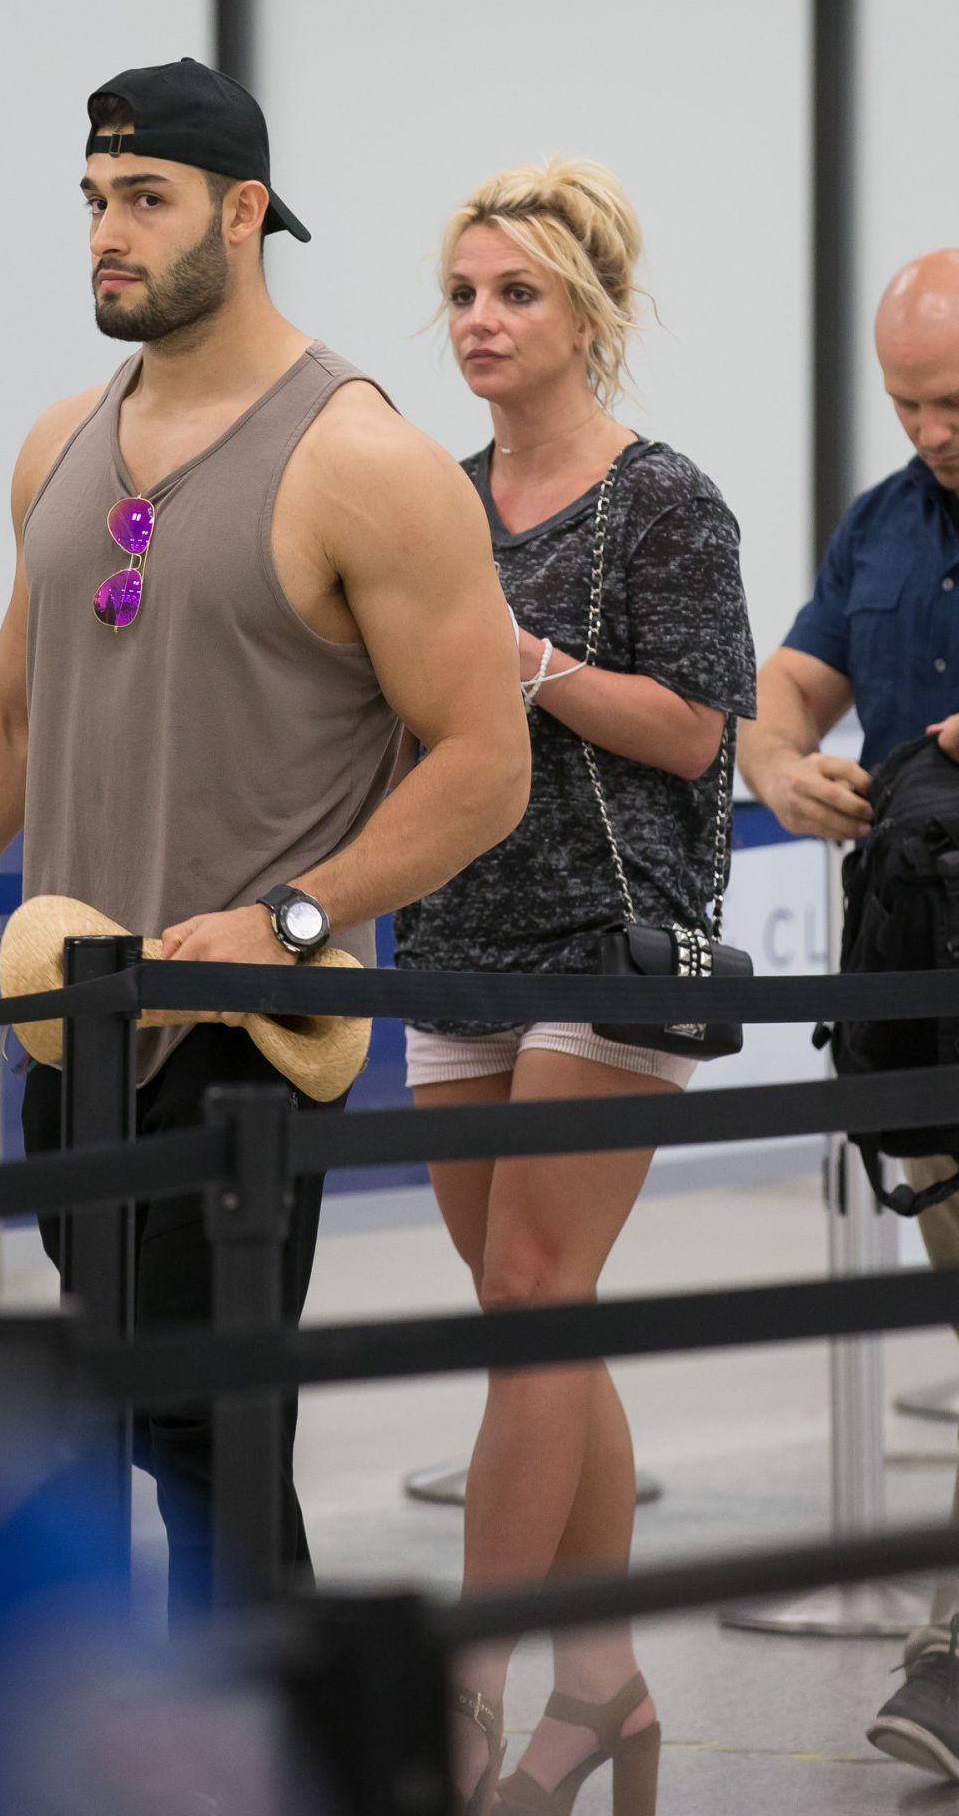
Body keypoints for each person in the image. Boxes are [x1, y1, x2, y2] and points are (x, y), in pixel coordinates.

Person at [0, 58, 530, 1617]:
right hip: (73, 1027)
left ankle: (259, 1765)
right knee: (118, 1416)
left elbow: (482, 764)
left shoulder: (360, 459)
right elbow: (6, 729)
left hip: (248, 1035)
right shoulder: (63, 443)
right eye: (95, 200)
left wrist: (292, 921)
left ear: (242, 215)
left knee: (206, 1435)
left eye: (146, 200)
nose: (107, 233)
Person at [393, 159, 756, 1815]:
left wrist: (526, 661)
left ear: (587, 312)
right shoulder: (433, 499)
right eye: (465, 292)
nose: (481, 320)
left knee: (537, 1294)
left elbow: (698, 730)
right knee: (532, 1309)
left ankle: (475, 1683)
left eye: (515, 293)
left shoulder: (663, 497)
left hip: (612, 935)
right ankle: (603, 1680)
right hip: (458, 929)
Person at [739, 248, 959, 1785]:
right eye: (909, 403)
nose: (934, 427)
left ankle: (952, 1642)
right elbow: (789, 691)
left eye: (955, 400)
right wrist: (773, 763)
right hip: (924, 981)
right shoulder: (882, 524)